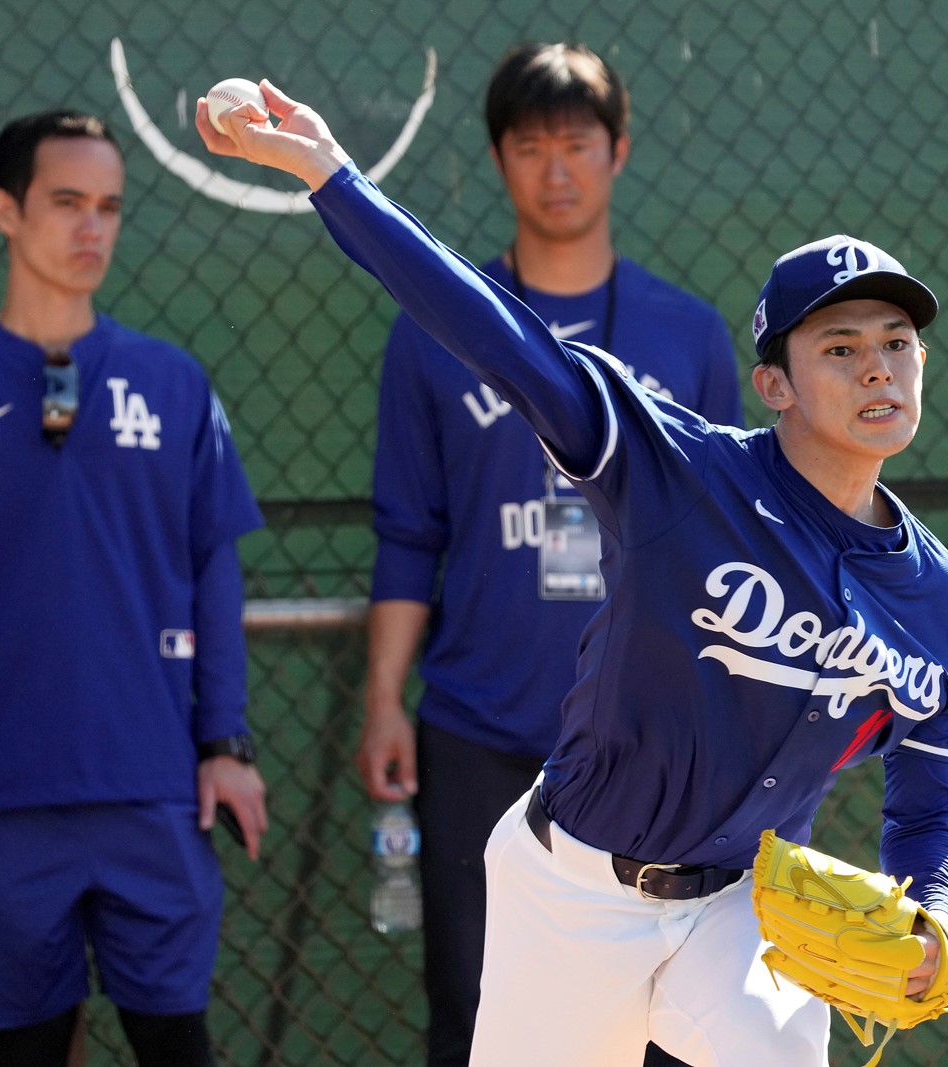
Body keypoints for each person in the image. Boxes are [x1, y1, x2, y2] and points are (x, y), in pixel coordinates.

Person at [198, 81, 948, 1066]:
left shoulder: (942, 609)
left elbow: (930, 801)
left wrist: (932, 912)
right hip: (575, 894)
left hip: (739, 908)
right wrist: (331, 174)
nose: (877, 368)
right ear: (775, 383)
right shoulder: (679, 471)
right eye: (839, 347)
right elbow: (497, 336)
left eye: (896, 343)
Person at [355, 42, 742, 1067]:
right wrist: (385, 697)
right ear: (498, 160)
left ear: (618, 151)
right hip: (480, 723)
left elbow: (728, 549)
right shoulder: (434, 329)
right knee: (476, 1007)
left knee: (652, 1020)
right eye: (530, 147)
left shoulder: (686, 333)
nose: (555, 169)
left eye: (576, 143)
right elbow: (408, 532)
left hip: (648, 737)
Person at [0, 109, 268, 1067]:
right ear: (6, 210)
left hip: (153, 792)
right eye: (67, 202)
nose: (92, 227)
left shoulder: (174, 383)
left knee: (177, 1043)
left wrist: (224, 743)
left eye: (109, 207)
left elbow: (212, 568)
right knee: (27, 1051)